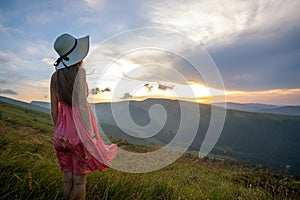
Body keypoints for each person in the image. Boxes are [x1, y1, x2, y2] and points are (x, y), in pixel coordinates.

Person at [50, 33, 117, 200]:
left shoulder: (54, 77)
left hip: (61, 136)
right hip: (79, 135)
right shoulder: (80, 73)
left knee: (67, 180)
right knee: (79, 182)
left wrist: (59, 130)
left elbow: (54, 111)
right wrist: (91, 135)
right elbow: (81, 106)